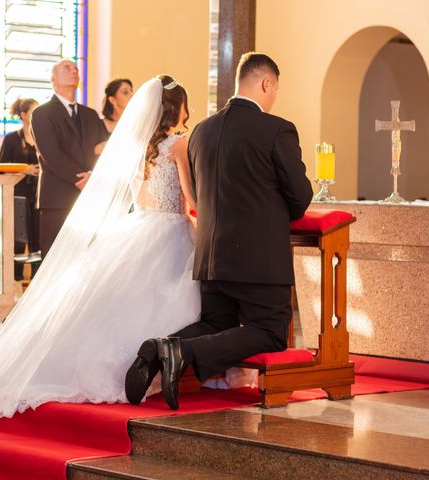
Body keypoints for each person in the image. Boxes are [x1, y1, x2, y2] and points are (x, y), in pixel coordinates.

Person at [0, 76, 200, 478]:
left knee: (116, 305)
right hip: (170, 230)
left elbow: (131, 197)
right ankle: (171, 370)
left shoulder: (130, 148)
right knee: (172, 297)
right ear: (175, 109)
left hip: (137, 229)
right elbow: (191, 199)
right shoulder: (178, 146)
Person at [126, 52, 313, 410]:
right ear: (266, 83)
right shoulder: (277, 129)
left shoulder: (202, 132)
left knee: (215, 322)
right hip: (257, 260)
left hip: (210, 256)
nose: (274, 97)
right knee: (271, 332)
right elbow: (299, 198)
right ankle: (179, 349)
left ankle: (157, 348)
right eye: (274, 89)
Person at [31, 59, 109, 257]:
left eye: (76, 68)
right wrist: (81, 178)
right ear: (53, 79)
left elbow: (105, 149)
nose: (74, 70)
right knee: (54, 258)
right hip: (57, 197)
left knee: (86, 257)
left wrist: (94, 176)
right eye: (67, 68)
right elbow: (51, 154)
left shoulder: (90, 115)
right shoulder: (42, 113)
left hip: (90, 196)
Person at [0, 98, 41, 280]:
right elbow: (0, 168)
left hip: (39, 195)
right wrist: (25, 169)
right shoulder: (11, 140)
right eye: (33, 112)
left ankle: (37, 284)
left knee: (38, 242)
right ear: (23, 115)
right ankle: (14, 283)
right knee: (17, 241)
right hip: (18, 196)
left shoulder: (42, 137)